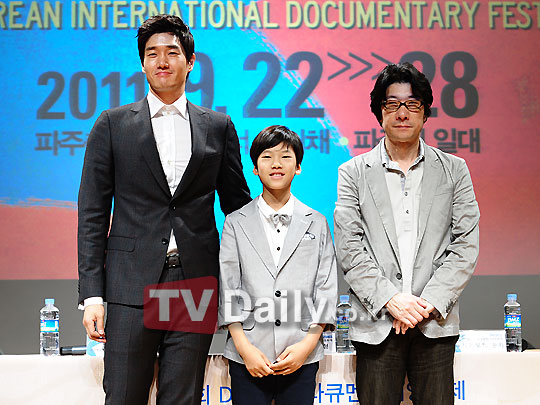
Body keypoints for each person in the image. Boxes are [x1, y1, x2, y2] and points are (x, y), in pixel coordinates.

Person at [77, 14, 250, 404]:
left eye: (172, 52)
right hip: (130, 282)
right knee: (123, 396)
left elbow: (237, 208)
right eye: (152, 53)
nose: (162, 61)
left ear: (190, 62)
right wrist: (92, 295)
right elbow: (92, 214)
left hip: (193, 281)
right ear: (142, 64)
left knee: (182, 398)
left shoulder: (217, 126)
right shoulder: (112, 124)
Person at [334, 63, 480, 404]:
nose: (402, 113)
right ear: (379, 113)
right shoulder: (352, 172)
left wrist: (425, 303)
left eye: (412, 104)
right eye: (392, 104)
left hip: (435, 323)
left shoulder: (455, 170)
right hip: (377, 323)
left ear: (425, 112)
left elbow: (465, 244)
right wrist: (392, 300)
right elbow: (350, 247)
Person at [218, 125, 338, 405]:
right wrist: (245, 349)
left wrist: (307, 345)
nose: (276, 164)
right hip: (248, 355)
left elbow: (326, 288)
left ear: (298, 167)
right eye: (267, 157)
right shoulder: (235, 222)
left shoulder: (317, 222)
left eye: (285, 157)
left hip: (301, 354)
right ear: (255, 168)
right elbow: (229, 286)